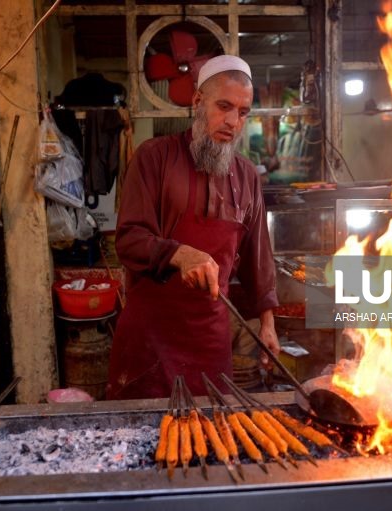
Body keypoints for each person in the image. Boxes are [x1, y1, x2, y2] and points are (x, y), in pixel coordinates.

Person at [106, 55, 279, 400]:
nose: (233, 121)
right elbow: (128, 240)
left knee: (210, 441)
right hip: (150, 337)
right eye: (224, 106)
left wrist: (268, 323)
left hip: (210, 340)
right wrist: (180, 254)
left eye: (243, 112)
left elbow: (259, 256)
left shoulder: (246, 176)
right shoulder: (154, 157)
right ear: (198, 102)